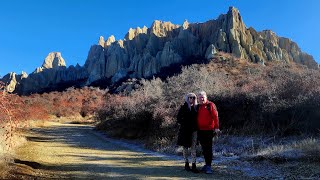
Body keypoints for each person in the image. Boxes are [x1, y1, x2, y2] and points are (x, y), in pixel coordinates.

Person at [197, 91, 220, 174]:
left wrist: (217, 128)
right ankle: (206, 165)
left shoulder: (210, 105)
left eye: (203, 97)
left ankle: (209, 166)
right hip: (200, 131)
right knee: (204, 148)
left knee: (208, 148)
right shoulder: (198, 106)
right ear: (198, 99)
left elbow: (215, 116)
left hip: (209, 130)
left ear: (206, 97)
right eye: (200, 97)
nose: (201, 98)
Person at [177, 93, 199, 173]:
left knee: (193, 147)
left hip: (194, 130)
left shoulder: (197, 107)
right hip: (185, 131)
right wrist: (185, 123)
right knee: (185, 147)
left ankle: (194, 165)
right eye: (190, 97)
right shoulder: (183, 107)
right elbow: (178, 118)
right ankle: (186, 163)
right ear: (187, 98)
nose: (192, 99)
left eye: (194, 98)